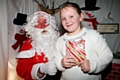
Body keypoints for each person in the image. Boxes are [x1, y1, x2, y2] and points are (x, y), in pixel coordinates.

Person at [54, 2, 113, 80]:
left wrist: (93, 65)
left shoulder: (93, 35)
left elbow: (107, 55)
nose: (67, 21)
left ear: (81, 17)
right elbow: (55, 59)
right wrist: (61, 63)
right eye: (63, 18)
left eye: (71, 16)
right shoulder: (60, 41)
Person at [16, 11, 61, 80]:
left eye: (45, 22)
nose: (43, 27)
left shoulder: (60, 39)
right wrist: (41, 69)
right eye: (38, 24)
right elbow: (20, 69)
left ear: (51, 24)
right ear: (32, 27)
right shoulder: (28, 44)